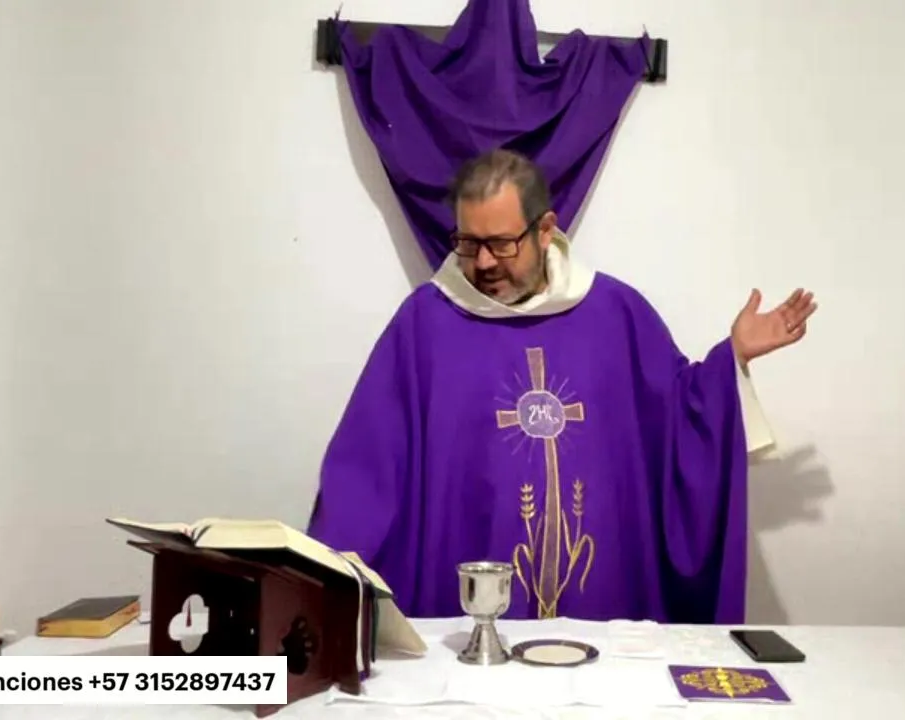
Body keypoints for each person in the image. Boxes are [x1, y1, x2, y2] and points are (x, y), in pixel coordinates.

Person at [307, 149, 816, 624]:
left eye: (501, 244)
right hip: (463, 610)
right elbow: (368, 460)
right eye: (468, 244)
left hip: (602, 607)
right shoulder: (425, 324)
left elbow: (677, 416)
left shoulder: (615, 313)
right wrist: (327, 576)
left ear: (546, 230)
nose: (483, 263)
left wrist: (733, 358)